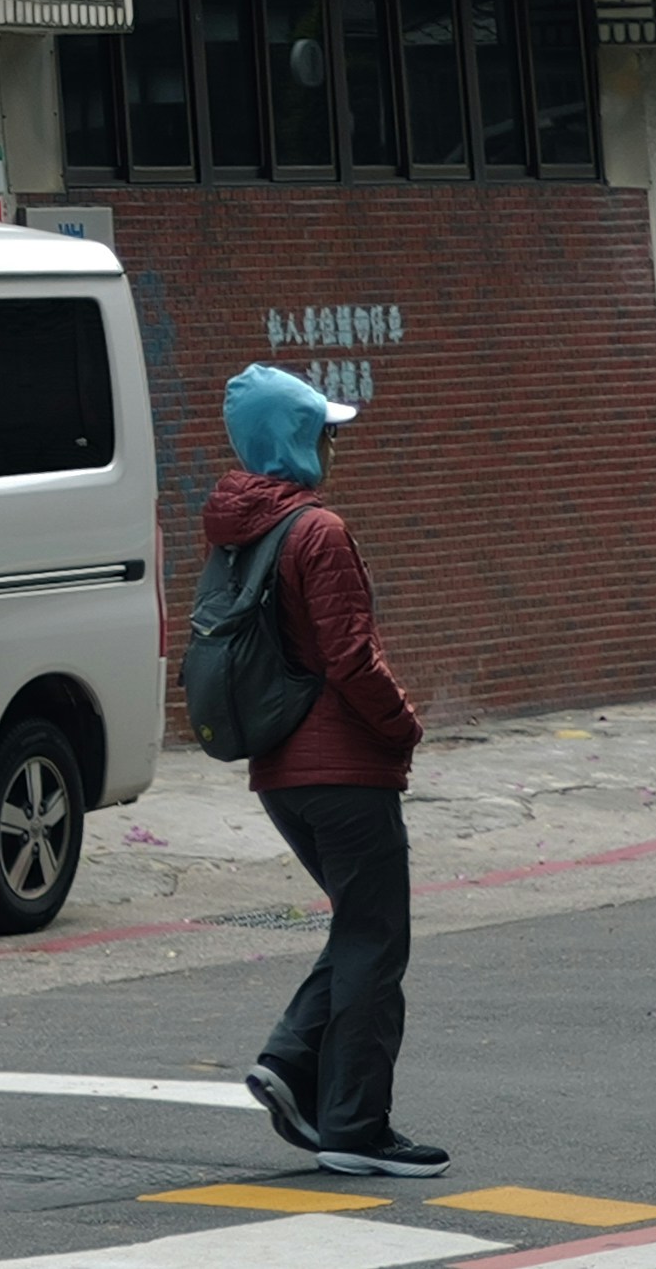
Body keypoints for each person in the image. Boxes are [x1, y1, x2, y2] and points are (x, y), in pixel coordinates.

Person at [210, 362, 441, 1177]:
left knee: (358, 926)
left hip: (280, 770)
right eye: (324, 430)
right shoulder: (317, 529)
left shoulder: (239, 530)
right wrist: (402, 725)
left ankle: (291, 1062)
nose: (334, 445)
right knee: (377, 938)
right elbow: (350, 655)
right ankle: (354, 1124)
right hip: (343, 765)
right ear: (296, 438)